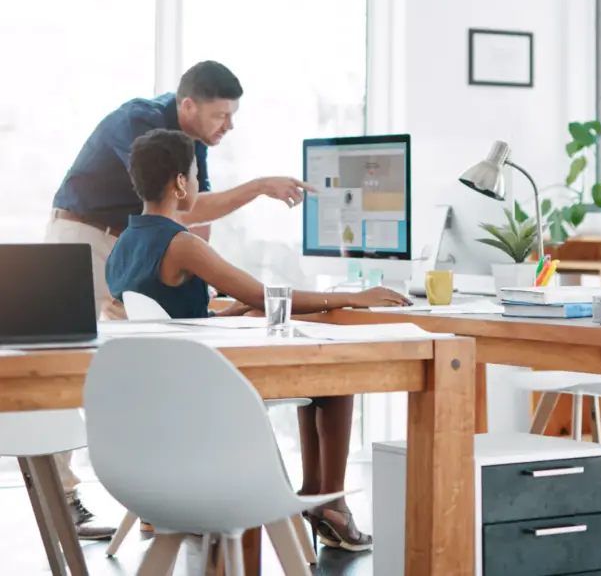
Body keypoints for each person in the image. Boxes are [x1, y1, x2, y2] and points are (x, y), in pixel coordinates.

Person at [106, 128, 411, 550]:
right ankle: (329, 501)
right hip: (206, 388)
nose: (197, 184)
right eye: (195, 174)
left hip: (168, 391)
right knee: (336, 375)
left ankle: (317, 496)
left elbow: (163, 311)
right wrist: (353, 297)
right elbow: (261, 296)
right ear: (179, 183)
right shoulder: (182, 243)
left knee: (319, 378)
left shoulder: (124, 242)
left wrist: (221, 313)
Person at [45, 60, 313, 539]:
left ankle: (158, 490)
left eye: (232, 116)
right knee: (67, 366)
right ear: (188, 105)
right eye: (220, 115)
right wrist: (258, 187)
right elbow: (174, 198)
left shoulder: (192, 145)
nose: (228, 126)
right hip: (84, 237)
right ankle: (61, 498)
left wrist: (202, 278)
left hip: (128, 240)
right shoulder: (140, 124)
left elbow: (190, 213)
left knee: (149, 362)